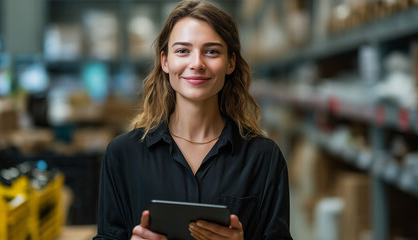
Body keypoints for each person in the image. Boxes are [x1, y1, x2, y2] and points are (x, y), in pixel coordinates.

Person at [94, 1, 292, 239]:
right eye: (182, 51)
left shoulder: (264, 158)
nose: (196, 63)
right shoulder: (123, 154)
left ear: (230, 62)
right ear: (165, 62)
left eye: (211, 51)